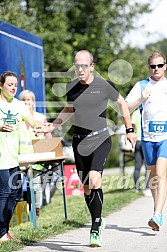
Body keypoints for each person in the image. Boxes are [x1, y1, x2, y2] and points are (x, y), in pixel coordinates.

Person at [37, 50, 136, 247]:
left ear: (91, 67)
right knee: (87, 188)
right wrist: (53, 125)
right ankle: (98, 219)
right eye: (77, 65)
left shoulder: (103, 85)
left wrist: (130, 129)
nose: (80, 69)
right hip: (79, 141)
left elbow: (122, 104)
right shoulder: (72, 87)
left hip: (100, 138)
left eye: (84, 65)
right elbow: (69, 109)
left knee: (94, 179)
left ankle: (95, 226)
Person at [0, 71, 48, 242]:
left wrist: (42, 125)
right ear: (1, 85)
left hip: (13, 156)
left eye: (15, 85)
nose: (13, 87)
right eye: (9, 84)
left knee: (16, 193)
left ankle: (3, 230)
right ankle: (1, 233)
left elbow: (30, 119)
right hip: (0, 155)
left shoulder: (19, 105)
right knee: (5, 191)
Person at [126, 51, 167, 231]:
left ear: (165, 66)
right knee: (152, 177)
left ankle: (157, 215)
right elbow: (125, 108)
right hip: (148, 139)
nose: (156, 69)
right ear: (148, 68)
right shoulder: (142, 85)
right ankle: (157, 208)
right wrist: (142, 99)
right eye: (153, 66)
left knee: (160, 172)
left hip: (165, 137)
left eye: (160, 65)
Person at [18, 90, 52, 217]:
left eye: (29, 99)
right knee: (17, 186)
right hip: (19, 157)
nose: (27, 102)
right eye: (24, 100)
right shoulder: (18, 118)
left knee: (36, 185)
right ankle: (21, 213)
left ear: (33, 102)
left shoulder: (40, 117)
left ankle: (36, 211)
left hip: (36, 157)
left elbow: (48, 136)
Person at [131, 108, 150, 195]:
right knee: (148, 166)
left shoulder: (135, 114)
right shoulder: (148, 111)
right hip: (146, 140)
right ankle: (146, 187)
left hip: (138, 142)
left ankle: (137, 188)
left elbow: (132, 127)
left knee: (137, 166)